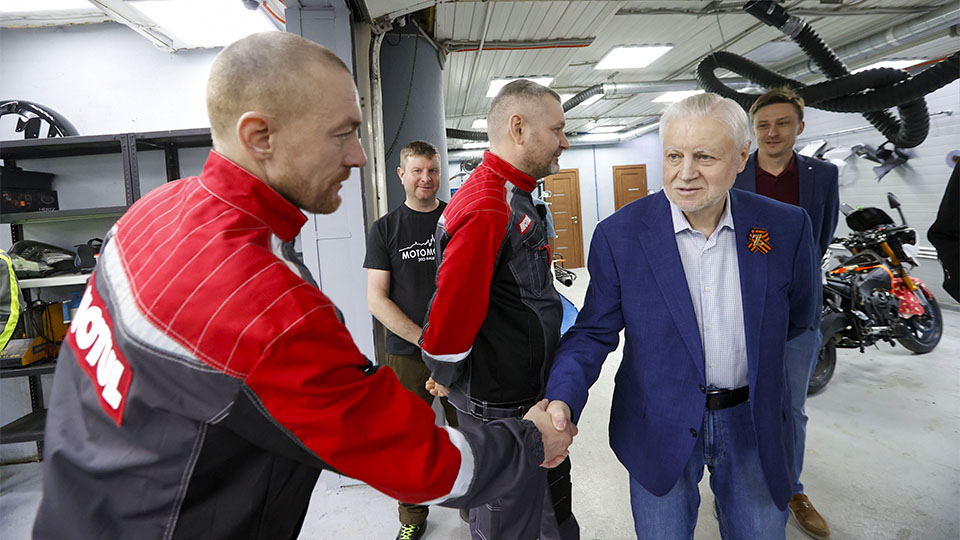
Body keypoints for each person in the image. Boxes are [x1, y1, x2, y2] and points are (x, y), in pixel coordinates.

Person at [32, 32, 573, 540]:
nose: (359, 156)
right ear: (259, 137)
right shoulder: (264, 303)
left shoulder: (152, 211)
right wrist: (529, 441)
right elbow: (420, 462)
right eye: (342, 134)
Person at [545, 92, 819, 539]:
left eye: (705, 156)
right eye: (674, 155)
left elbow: (799, 317)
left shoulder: (785, 227)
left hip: (752, 420)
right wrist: (563, 397)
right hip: (658, 421)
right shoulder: (620, 236)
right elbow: (593, 332)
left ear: (741, 157)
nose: (685, 172)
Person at [421, 79, 579, 540]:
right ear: (518, 128)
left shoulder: (511, 194)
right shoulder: (491, 205)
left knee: (550, 512)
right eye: (557, 129)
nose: (565, 141)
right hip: (504, 404)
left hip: (523, 392)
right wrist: (443, 372)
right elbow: (452, 315)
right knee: (510, 523)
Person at [734, 87, 839, 539]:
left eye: (782, 123)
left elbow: (820, 237)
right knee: (739, 404)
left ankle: (793, 489)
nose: (772, 132)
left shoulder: (822, 175)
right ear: (753, 130)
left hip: (800, 309)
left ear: (800, 126)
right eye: (763, 125)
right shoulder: (736, 173)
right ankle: (737, 483)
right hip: (744, 308)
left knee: (791, 408)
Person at [364, 140, 461, 540]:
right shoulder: (385, 229)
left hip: (462, 353)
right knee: (408, 440)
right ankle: (412, 517)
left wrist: (449, 342)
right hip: (406, 353)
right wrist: (425, 339)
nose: (426, 178)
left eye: (433, 170)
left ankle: (476, 505)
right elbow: (376, 299)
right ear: (401, 175)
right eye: (417, 171)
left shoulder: (457, 219)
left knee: (469, 433)